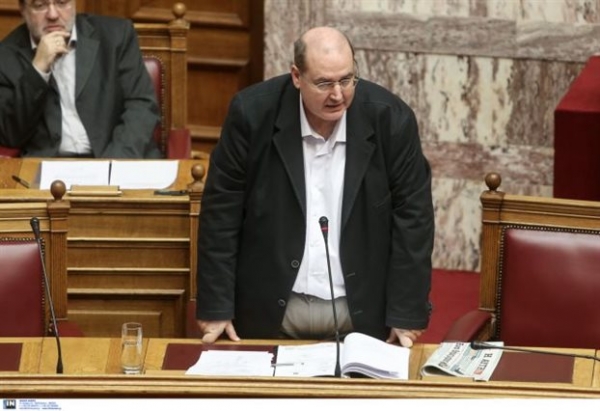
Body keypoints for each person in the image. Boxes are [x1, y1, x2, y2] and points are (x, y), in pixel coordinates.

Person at [196, 26, 434, 347]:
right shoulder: (252, 115)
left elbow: (414, 219)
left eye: (347, 80)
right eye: (324, 83)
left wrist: (406, 312)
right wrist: (216, 306)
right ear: (297, 76)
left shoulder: (391, 120)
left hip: (361, 314)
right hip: (270, 310)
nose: (338, 95)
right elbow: (221, 213)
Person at [0, 0, 162, 158]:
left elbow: (141, 106)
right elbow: (11, 135)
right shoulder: (6, 55)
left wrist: (113, 164)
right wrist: (38, 70)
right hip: (51, 165)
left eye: (62, 3)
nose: (53, 15)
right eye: (40, 5)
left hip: (118, 157)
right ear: (23, 9)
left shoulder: (116, 36)